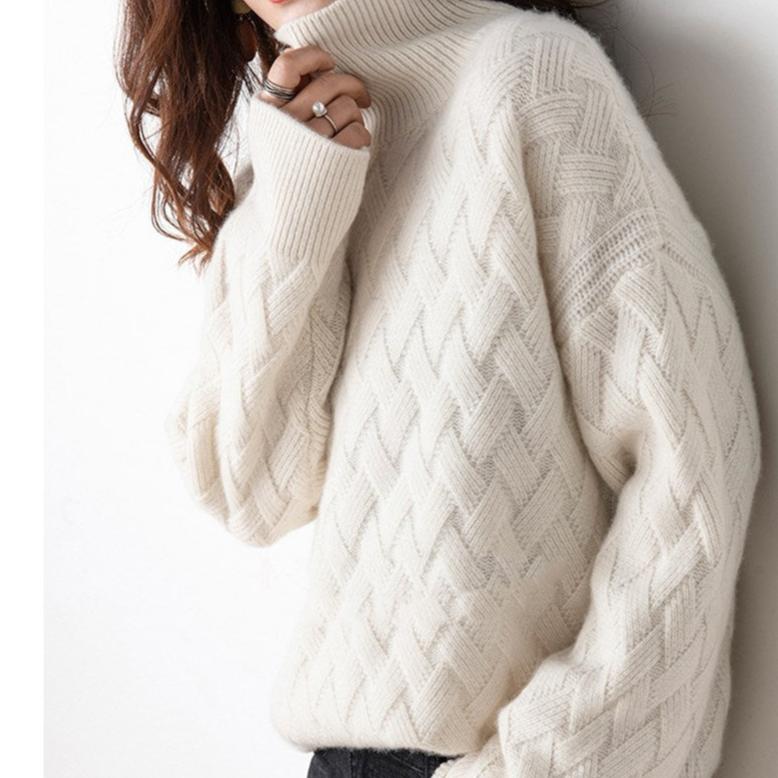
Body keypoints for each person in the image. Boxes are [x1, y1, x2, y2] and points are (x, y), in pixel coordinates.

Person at [116, 1, 763, 776]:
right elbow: (251, 491)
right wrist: (292, 208)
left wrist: (556, 761)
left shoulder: (528, 75)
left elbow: (695, 461)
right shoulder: (292, 148)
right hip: (342, 754)